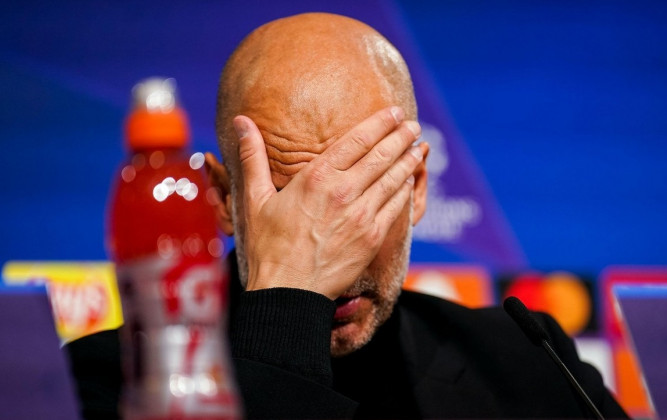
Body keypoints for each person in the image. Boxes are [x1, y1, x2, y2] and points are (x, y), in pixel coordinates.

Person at [67, 12, 629, 419]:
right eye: (291, 203)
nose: (334, 245)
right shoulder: (105, 384)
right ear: (223, 198)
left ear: (415, 187)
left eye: (366, 195)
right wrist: (286, 310)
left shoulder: (526, 361)